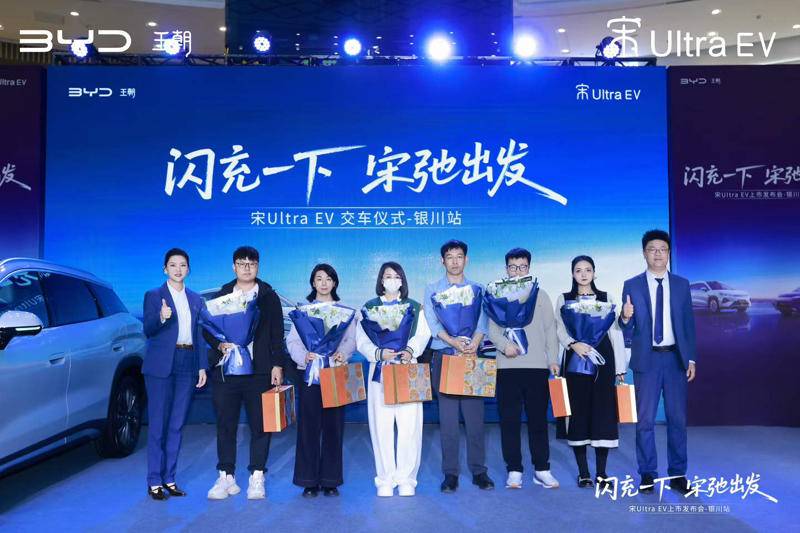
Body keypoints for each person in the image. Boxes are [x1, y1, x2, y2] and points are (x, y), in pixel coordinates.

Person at [204, 246, 286, 500]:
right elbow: (207, 327)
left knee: (260, 425)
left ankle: (257, 476)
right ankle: (226, 476)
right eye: (242, 263)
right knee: (225, 424)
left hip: (259, 371)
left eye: (251, 263)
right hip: (227, 370)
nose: (247, 267)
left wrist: (277, 364)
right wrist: (220, 345)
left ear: (258, 266)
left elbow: (277, 333)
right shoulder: (223, 294)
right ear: (234, 267)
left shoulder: (268, 296)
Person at [619, 230, 697, 495]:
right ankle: (647, 473)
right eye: (652, 249)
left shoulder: (682, 285)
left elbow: (688, 325)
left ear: (669, 253)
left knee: (677, 420)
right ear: (644, 253)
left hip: (675, 359)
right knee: (645, 421)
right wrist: (625, 317)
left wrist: (691, 358)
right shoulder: (632, 285)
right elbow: (626, 328)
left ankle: (677, 475)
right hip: (647, 360)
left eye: (662, 249)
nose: (658, 254)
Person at [487, 248, 561, 490]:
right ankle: (514, 470)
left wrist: (553, 359)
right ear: (506, 269)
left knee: (538, 420)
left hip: (537, 367)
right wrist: (504, 346)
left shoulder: (541, 295)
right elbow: (492, 331)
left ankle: (542, 469)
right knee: (509, 421)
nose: (517, 271)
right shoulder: (497, 295)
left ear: (529, 268)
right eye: (513, 267)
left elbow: (550, 330)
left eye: (522, 267)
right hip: (507, 367)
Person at [356, 262, 432, 497]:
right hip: (380, 369)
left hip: (408, 369)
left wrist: (409, 350)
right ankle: (385, 479)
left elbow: (423, 334)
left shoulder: (414, 307)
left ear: (402, 281)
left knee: (410, 426)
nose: (392, 280)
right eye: (388, 276)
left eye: (396, 276)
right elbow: (361, 340)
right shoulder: (369, 308)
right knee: (382, 426)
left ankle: (407, 478)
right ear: (381, 280)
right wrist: (379, 353)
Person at [424, 240, 494, 493]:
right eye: (450, 257)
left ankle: (479, 471)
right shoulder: (432, 290)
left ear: (466, 259)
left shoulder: (478, 289)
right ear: (442, 261)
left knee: (475, 420)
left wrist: (473, 343)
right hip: (445, 358)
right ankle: (450, 474)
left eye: (459, 256)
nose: (454, 261)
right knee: (448, 422)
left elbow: (483, 321)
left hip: (472, 357)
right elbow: (432, 323)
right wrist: (453, 341)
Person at [554, 255, 627, 489]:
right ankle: (583, 473)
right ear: (572, 274)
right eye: (578, 270)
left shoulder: (607, 298)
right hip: (575, 359)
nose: (583, 274)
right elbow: (559, 328)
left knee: (602, 413)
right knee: (578, 413)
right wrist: (573, 344)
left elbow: (615, 333)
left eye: (588, 270)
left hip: (602, 360)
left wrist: (620, 368)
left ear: (594, 273)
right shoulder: (564, 299)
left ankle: (602, 474)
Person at [286, 263, 358, 497]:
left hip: (335, 373)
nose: (324, 283)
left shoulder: (346, 312)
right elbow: (292, 341)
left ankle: (330, 480)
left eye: (328, 278)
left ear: (334, 282)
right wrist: (304, 356)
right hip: (310, 374)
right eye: (319, 278)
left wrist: (343, 354)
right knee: (308, 427)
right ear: (313, 283)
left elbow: (351, 340)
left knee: (333, 427)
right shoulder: (303, 311)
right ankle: (308, 480)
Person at [142, 248, 207, 501]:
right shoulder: (154, 295)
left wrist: (201, 366)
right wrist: (161, 317)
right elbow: (148, 329)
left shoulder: (196, 299)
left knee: (177, 424)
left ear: (188, 269)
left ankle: (169, 478)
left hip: (187, 362)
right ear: (165, 269)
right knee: (158, 424)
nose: (178, 269)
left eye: (182, 265)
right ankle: (154, 481)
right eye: (172, 265)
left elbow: (200, 335)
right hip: (161, 365)